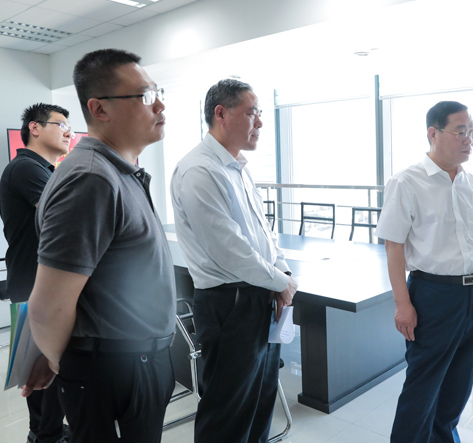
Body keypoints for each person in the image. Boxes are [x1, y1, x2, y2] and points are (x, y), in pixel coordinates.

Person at [28, 49, 176, 443]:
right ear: (100, 109)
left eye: (159, 93)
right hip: (112, 369)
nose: (160, 105)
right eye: (145, 96)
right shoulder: (91, 179)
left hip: (133, 363)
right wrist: (62, 364)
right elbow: (49, 306)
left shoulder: (118, 172)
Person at [170, 79, 297, 443]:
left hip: (259, 296)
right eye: (252, 113)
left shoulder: (237, 167)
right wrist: (282, 282)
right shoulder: (199, 170)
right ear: (221, 113)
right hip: (231, 302)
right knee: (228, 413)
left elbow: (263, 234)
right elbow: (229, 249)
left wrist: (283, 272)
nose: (260, 123)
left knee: (259, 402)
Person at [375, 101, 473, 443]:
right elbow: (393, 246)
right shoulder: (406, 182)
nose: (468, 139)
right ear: (433, 133)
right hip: (433, 295)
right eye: (460, 132)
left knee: (459, 387)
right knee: (422, 389)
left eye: (471, 132)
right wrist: (403, 304)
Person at [0, 103, 72, 443]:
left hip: (37, 283)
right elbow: (65, 217)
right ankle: (45, 436)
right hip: (34, 285)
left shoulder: (42, 169)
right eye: (61, 124)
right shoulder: (27, 168)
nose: (69, 132)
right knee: (41, 370)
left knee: (47, 369)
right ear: (35, 127)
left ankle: (48, 431)